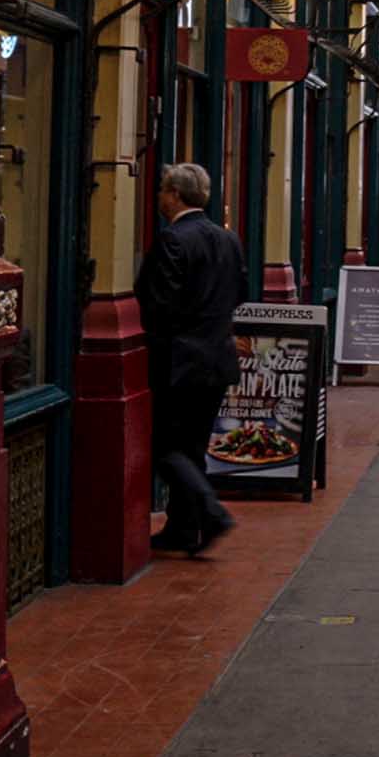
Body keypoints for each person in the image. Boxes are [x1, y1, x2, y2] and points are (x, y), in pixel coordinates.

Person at [135, 163, 247, 554]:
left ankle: (211, 513)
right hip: (217, 360)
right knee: (193, 446)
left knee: (166, 446)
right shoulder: (228, 239)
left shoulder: (172, 240)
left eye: (163, 190)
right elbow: (241, 292)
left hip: (180, 362)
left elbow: (159, 304)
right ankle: (182, 529)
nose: (159, 197)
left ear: (175, 195)